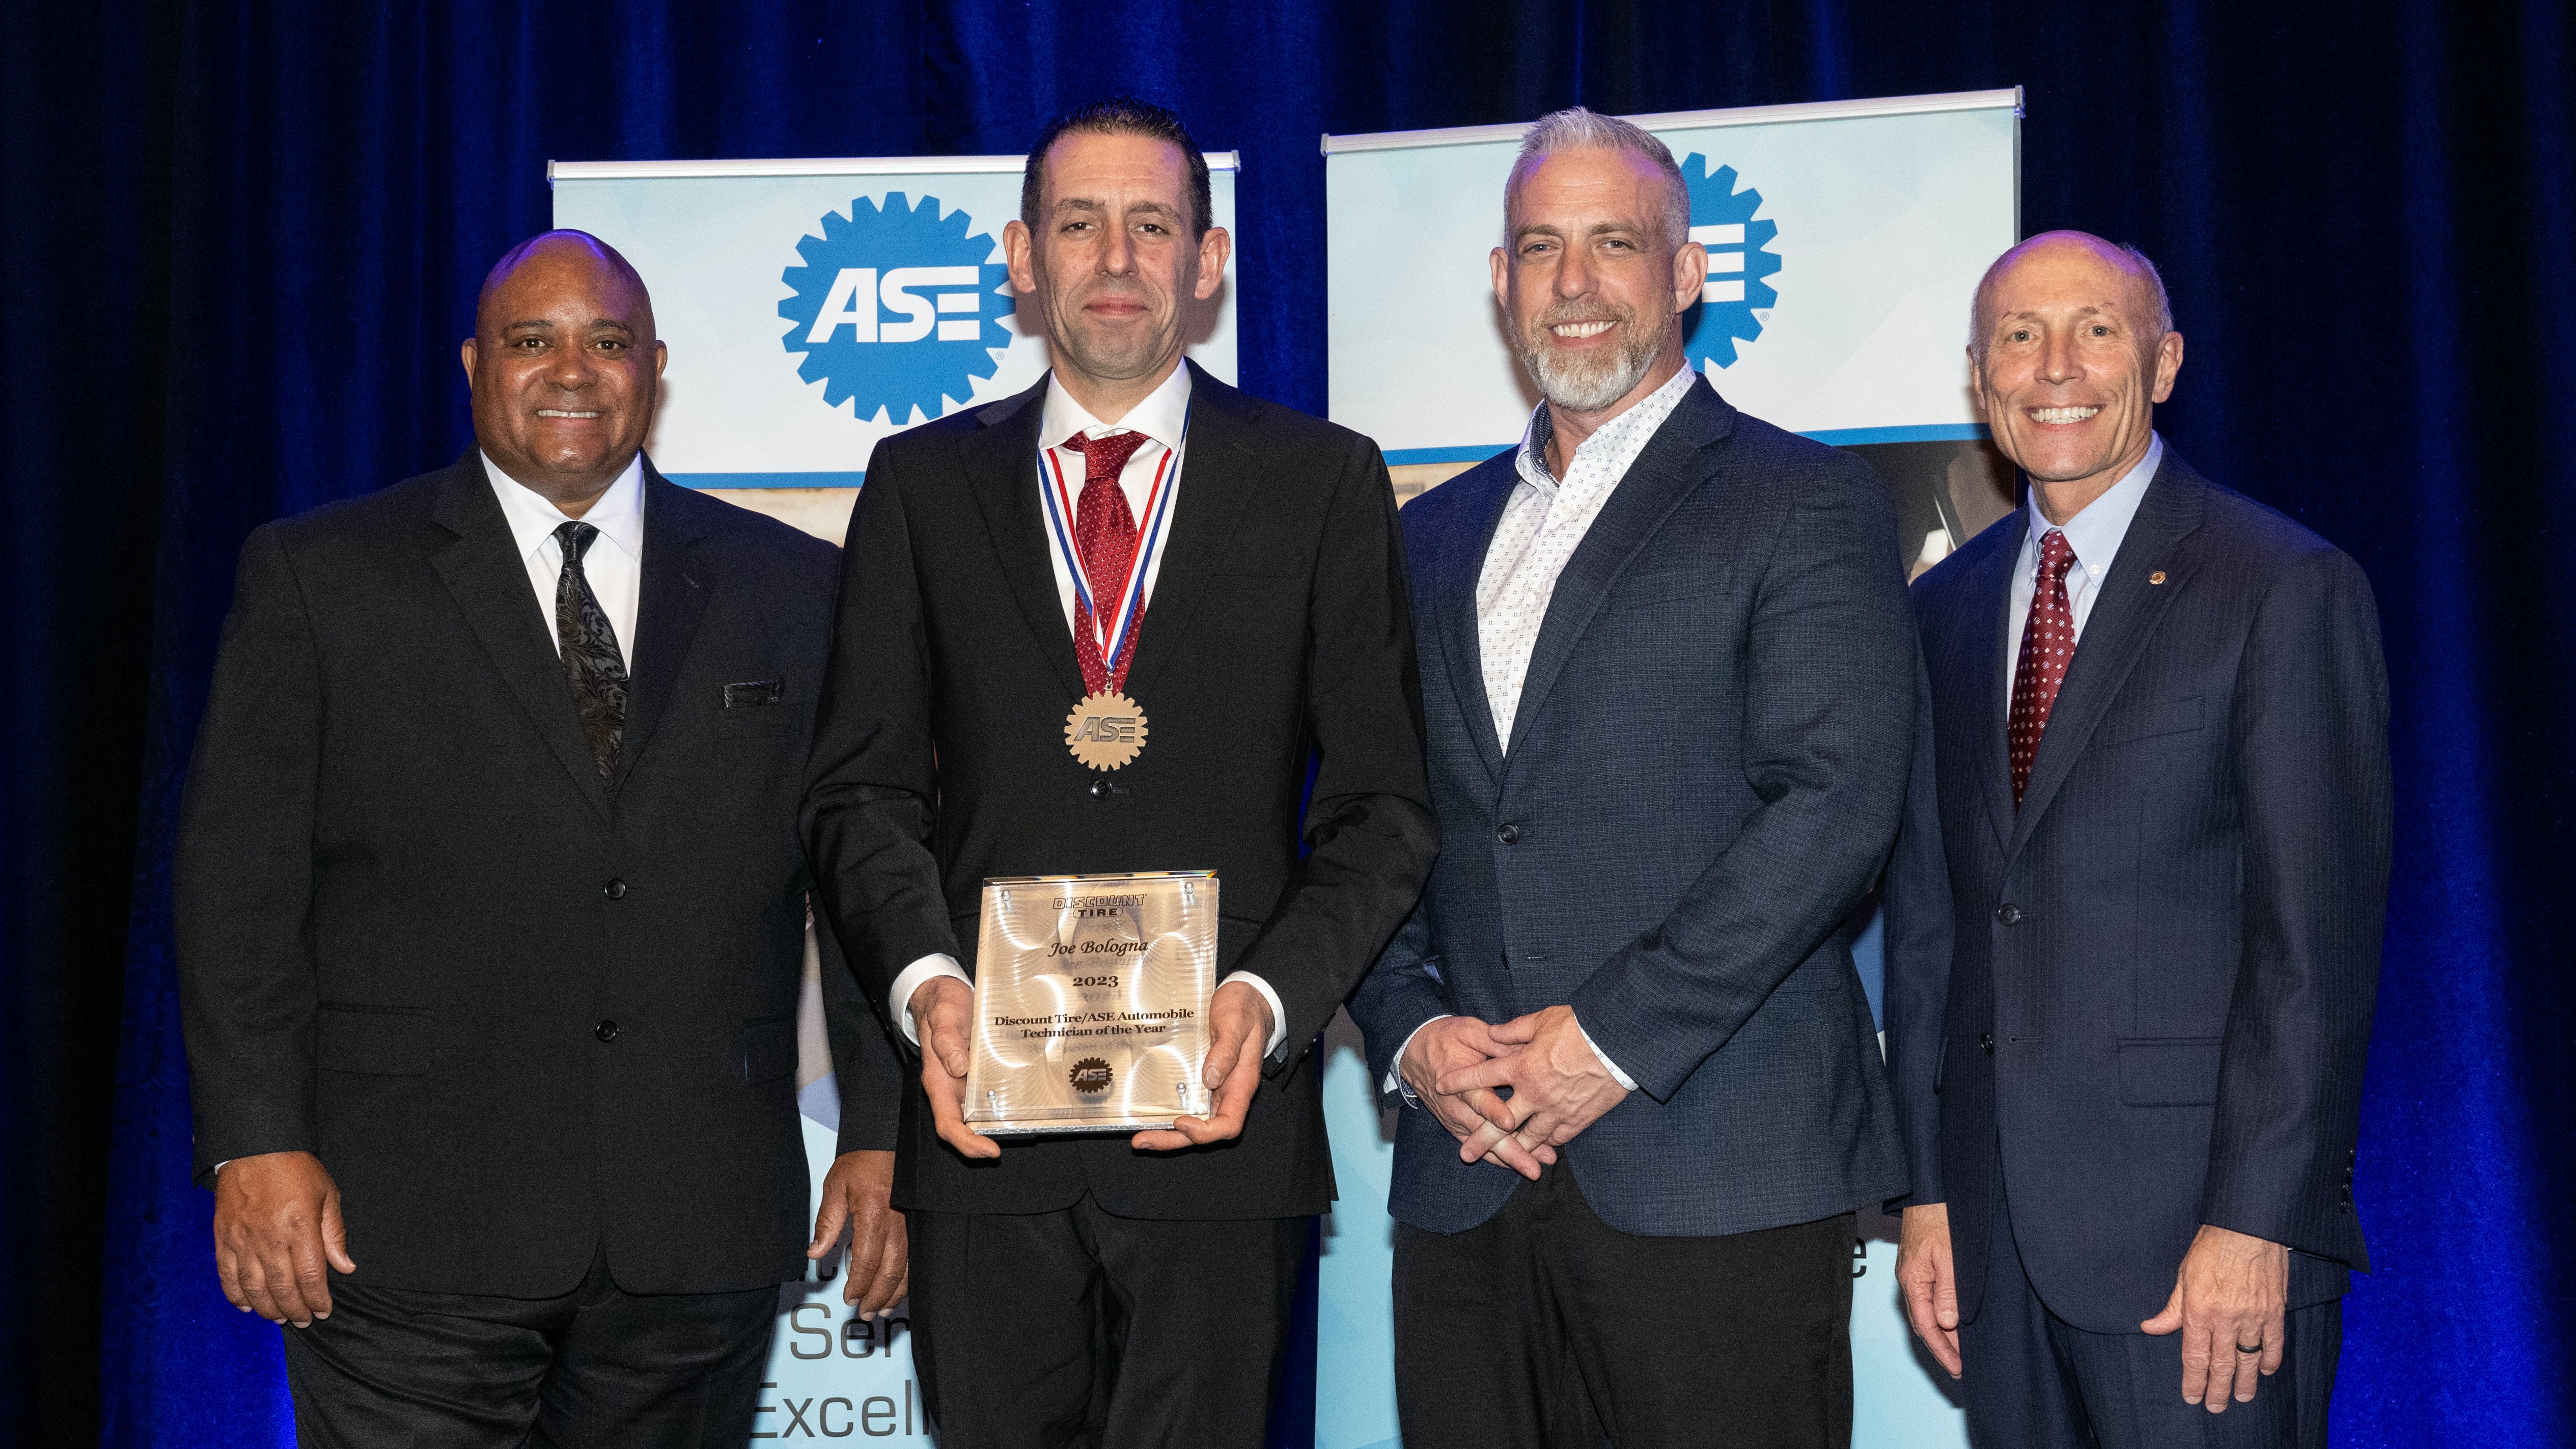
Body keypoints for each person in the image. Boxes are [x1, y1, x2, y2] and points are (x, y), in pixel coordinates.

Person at [175, 231, 909, 1445]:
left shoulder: (794, 588)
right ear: (475, 365)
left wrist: (881, 1132)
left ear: (655, 368)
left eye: (607, 341)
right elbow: (236, 892)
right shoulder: (322, 578)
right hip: (401, 1221)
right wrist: (254, 1141)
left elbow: (863, 877)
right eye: (534, 340)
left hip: (695, 1221)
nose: (572, 369)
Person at [801, 97, 1436, 1448]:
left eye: (1151, 226)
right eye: (1077, 225)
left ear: (1206, 263)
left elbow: (1381, 804)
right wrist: (929, 990)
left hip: (1221, 1128)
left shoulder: (1319, 483)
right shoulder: (918, 486)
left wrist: (1268, 999)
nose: (1113, 259)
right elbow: (859, 794)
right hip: (981, 1135)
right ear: (1020, 260)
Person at [1347, 107, 1916, 1449]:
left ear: (1687, 271)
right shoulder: (1424, 538)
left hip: (1708, 1161)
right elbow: (1376, 816)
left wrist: (1600, 1041)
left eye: (1614, 242)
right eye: (1540, 247)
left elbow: (1834, 800)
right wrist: (1409, 1025)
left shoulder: (1799, 500)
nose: (1575, 281)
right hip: (1466, 1169)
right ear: (1499, 283)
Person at [1885, 231, 2389, 1448]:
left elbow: (2311, 944)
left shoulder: (2280, 584)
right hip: (1997, 1246)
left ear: (2162, 364)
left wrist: (2256, 1220)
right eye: (2019, 336)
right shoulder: (1941, 613)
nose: (2055, 365)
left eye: (2095, 330)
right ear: (1977, 375)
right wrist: (1929, 1191)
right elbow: (1931, 925)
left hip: (2199, 1252)